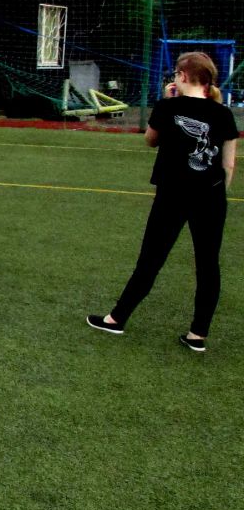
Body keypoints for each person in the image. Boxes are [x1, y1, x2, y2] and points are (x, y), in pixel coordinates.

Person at [88, 51, 238, 353]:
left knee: (151, 259)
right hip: (211, 197)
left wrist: (167, 100)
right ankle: (198, 334)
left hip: (172, 195)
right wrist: (217, 193)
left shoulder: (168, 107)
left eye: (175, 75)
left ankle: (116, 318)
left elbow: (150, 139)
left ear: (182, 76)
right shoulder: (224, 114)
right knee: (208, 264)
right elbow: (229, 164)